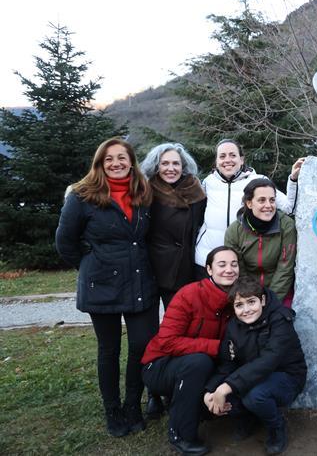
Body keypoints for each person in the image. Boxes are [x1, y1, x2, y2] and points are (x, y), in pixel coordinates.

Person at [55, 137, 158, 437]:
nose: (116, 163)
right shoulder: (81, 196)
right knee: (109, 349)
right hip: (102, 285)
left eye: (122, 157)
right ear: (100, 163)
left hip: (140, 280)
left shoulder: (143, 192)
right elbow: (65, 242)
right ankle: (113, 410)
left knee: (141, 345)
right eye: (109, 158)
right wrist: (92, 265)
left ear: (131, 161)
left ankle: (132, 405)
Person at [141, 246, 239, 455]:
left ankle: (204, 406)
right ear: (209, 270)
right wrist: (215, 347)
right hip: (160, 364)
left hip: (202, 365)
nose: (229, 269)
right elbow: (167, 341)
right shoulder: (189, 294)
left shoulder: (238, 300)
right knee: (199, 362)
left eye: (234, 264)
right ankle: (181, 434)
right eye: (222, 265)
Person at [204, 276, 307, 455]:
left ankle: (277, 427)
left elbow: (268, 361)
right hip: (251, 376)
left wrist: (226, 387)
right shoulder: (233, 327)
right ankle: (249, 417)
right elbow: (228, 363)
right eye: (239, 305)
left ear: (263, 300)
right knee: (223, 397)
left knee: (254, 396)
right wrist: (210, 391)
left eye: (251, 302)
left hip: (286, 377)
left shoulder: (280, 319)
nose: (246, 310)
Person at [194, 139, 302, 277]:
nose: (227, 160)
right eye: (222, 156)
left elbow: (289, 208)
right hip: (205, 259)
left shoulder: (257, 180)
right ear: (216, 161)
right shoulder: (208, 182)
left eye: (233, 155)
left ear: (242, 159)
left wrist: (293, 179)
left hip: (239, 264)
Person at [142, 143, 207, 309]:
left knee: (179, 324)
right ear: (156, 166)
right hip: (152, 269)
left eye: (176, 163)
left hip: (186, 269)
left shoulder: (196, 191)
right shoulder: (146, 192)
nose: (171, 168)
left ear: (183, 166)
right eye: (165, 163)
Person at [224, 178, 297, 306]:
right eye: (261, 200)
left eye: (272, 200)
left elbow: (285, 268)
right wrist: (252, 300)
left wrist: (270, 302)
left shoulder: (286, 225)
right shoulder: (234, 231)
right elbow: (239, 271)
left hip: (280, 292)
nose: (268, 205)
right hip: (247, 294)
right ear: (249, 203)